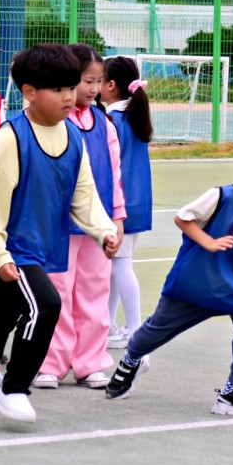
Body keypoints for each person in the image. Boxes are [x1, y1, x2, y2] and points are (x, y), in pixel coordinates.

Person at [0, 44, 119, 424]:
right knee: (45, 305)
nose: (69, 96)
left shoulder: (73, 137)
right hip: (11, 248)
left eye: (72, 87)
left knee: (1, 316)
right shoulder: (10, 138)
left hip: (40, 247)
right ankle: (15, 388)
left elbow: (84, 195)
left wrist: (103, 231)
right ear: (29, 92)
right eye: (58, 89)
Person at [105, 136, 233, 416]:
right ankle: (131, 359)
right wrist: (207, 241)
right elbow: (183, 217)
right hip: (193, 284)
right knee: (153, 332)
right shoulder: (221, 197)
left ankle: (231, 392)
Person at [36, 44, 126, 389]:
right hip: (57, 224)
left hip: (97, 226)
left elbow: (114, 175)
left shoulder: (104, 124)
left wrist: (116, 219)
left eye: (97, 81)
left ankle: (90, 362)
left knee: (94, 294)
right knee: (57, 293)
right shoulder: (54, 124)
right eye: (85, 81)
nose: (91, 89)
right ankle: (50, 363)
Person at [100, 55, 152, 349]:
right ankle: (108, 326)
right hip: (134, 202)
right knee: (115, 265)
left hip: (120, 203)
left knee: (120, 265)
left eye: (97, 79)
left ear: (110, 85)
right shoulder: (133, 116)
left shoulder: (113, 120)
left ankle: (134, 329)